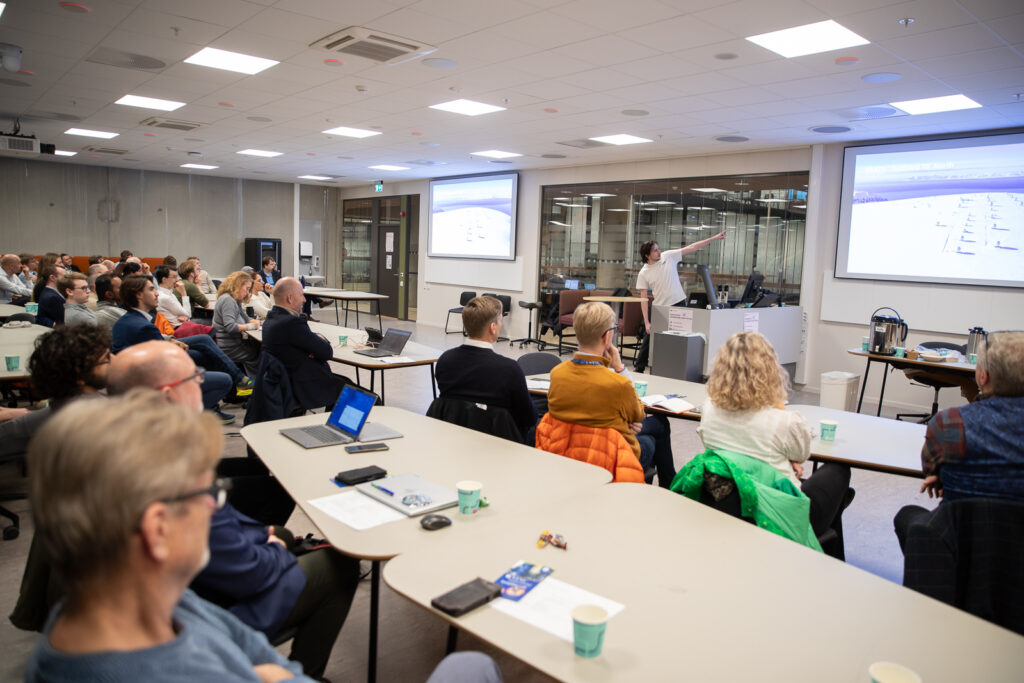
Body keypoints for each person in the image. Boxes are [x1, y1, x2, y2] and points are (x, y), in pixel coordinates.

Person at [26, 396, 497, 682]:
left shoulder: (132, 603)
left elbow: (253, 657)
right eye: (209, 492)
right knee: (470, 667)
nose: (218, 505)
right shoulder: (173, 668)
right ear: (157, 530)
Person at [696, 331, 852, 557]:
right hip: (778, 511)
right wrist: (777, 403)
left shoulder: (708, 409)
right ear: (770, 371)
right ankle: (829, 555)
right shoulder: (784, 421)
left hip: (728, 500)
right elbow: (803, 453)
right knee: (838, 471)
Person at [893, 331, 1024, 550]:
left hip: (960, 545)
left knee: (908, 517)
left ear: (982, 377)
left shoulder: (950, 423)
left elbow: (930, 468)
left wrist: (948, 475)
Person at [547, 301, 675, 487]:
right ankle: (669, 486)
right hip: (610, 456)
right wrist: (619, 368)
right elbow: (638, 414)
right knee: (656, 429)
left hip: (568, 450)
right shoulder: (617, 383)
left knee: (651, 430)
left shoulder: (557, 374)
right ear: (607, 337)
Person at [111, 274, 243, 417]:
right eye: (151, 289)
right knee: (224, 379)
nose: (156, 293)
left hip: (135, 377)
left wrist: (171, 341)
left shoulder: (127, 320)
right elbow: (165, 362)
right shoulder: (144, 327)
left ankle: (218, 401)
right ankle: (190, 414)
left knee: (204, 351)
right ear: (139, 295)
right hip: (152, 382)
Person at [0, 324, 111, 461]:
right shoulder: (109, 409)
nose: (112, 362)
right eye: (106, 359)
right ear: (79, 376)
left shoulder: (32, 423)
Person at [436, 295, 537, 440]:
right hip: (500, 444)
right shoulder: (509, 369)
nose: (501, 325)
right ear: (493, 327)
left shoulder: (445, 360)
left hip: (452, 437)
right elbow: (529, 418)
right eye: (500, 320)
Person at [633, 232, 725, 373]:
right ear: (647, 255)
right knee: (649, 337)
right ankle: (639, 368)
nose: (659, 252)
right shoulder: (644, 273)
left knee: (681, 337)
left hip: (679, 303)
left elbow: (692, 247)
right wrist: (646, 322)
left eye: (658, 249)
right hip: (660, 308)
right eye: (655, 250)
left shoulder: (668, 256)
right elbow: (643, 299)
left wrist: (714, 238)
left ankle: (678, 368)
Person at [213, 271, 261, 377]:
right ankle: (252, 384)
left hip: (233, 343)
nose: (248, 293)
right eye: (247, 289)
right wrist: (253, 326)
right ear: (238, 285)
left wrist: (254, 321)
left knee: (259, 346)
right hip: (230, 347)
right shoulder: (228, 300)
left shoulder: (234, 300)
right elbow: (230, 327)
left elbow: (246, 318)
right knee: (261, 351)